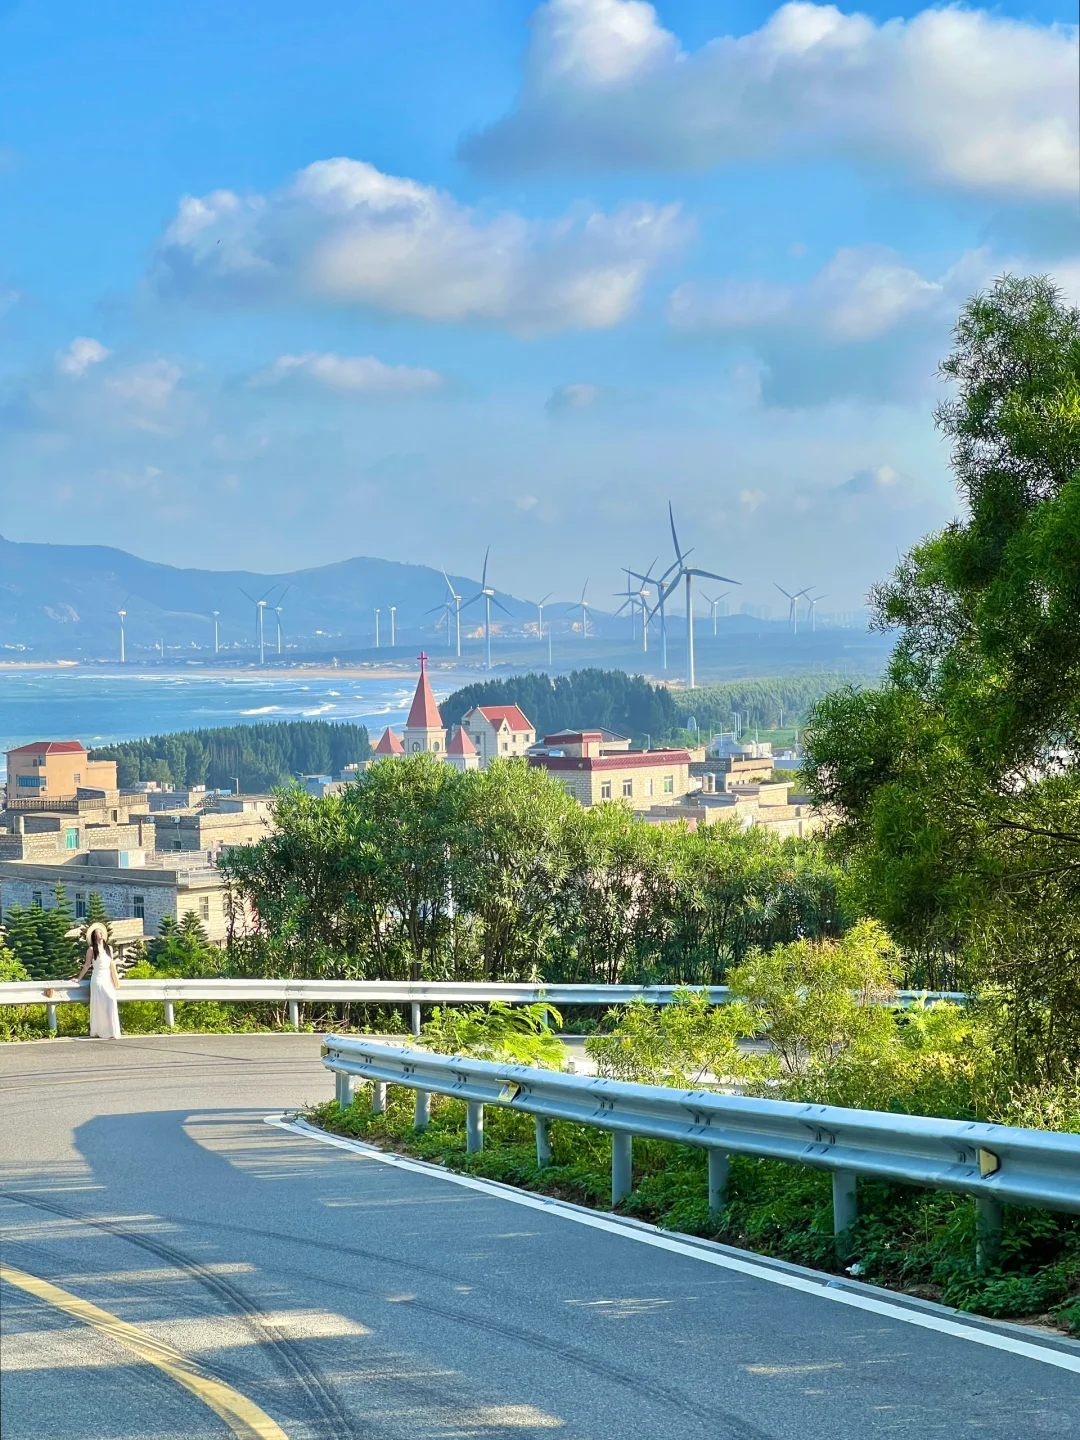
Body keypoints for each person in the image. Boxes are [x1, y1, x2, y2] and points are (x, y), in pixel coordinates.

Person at [75, 923, 122, 1039]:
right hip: (98, 980)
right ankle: (101, 1031)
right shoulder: (91, 949)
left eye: (101, 932)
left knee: (111, 1002)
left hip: (108, 979)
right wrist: (78, 978)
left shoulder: (108, 948)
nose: (100, 934)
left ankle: (111, 1031)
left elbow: (112, 965)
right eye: (97, 933)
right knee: (101, 1005)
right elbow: (87, 965)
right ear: (94, 936)